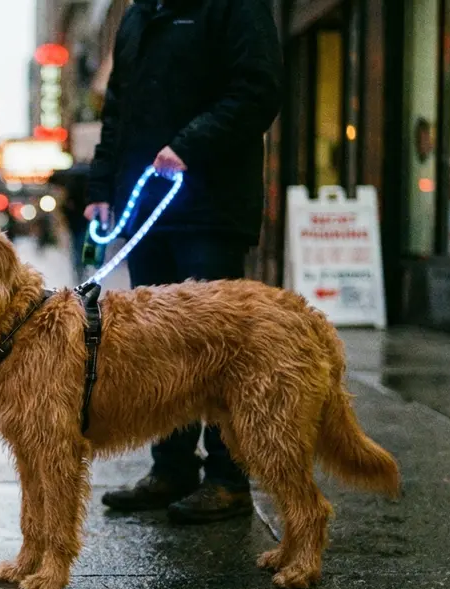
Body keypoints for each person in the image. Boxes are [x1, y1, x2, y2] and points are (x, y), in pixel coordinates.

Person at [84, 0, 284, 524]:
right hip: (147, 208)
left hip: (211, 207)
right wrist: (100, 187)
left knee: (218, 347)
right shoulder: (138, 15)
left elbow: (258, 89)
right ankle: (171, 467)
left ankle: (228, 477)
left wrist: (190, 146)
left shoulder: (233, 7)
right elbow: (118, 109)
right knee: (158, 347)